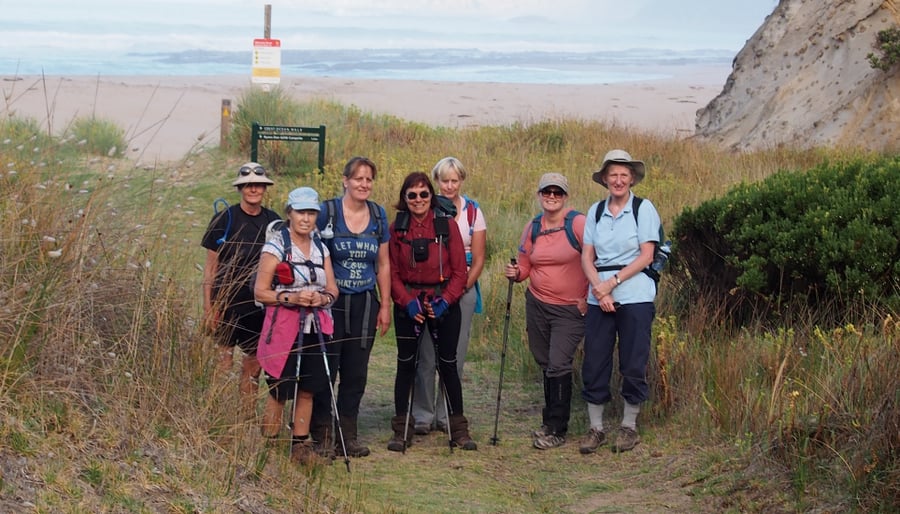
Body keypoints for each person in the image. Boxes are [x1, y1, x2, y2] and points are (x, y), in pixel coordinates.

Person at [386, 171, 477, 451]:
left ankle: (458, 429)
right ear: (404, 198)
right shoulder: (397, 228)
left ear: (432, 196)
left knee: (448, 364)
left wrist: (446, 300)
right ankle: (402, 429)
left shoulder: (446, 226)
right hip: (410, 304)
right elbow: (391, 272)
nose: (418, 200)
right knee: (407, 364)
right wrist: (405, 301)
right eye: (411, 195)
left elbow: (461, 271)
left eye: (424, 194)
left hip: (442, 302)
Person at [579, 149, 661, 454]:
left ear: (632, 178)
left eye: (623, 175)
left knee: (633, 359)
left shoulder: (643, 209)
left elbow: (646, 255)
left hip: (635, 294)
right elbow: (587, 256)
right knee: (595, 359)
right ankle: (595, 428)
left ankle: (629, 427)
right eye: (612, 174)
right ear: (604, 178)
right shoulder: (595, 211)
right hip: (599, 293)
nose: (618, 180)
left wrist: (611, 283)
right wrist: (599, 289)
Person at [310, 156, 391, 458]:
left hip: (365, 302)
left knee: (356, 372)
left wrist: (386, 305)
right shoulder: (326, 213)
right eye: (358, 178)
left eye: (369, 179)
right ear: (345, 180)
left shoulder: (379, 216)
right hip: (331, 303)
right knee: (326, 369)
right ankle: (322, 434)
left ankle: (348, 435)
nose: (364, 184)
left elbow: (383, 264)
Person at [254, 187, 340, 466]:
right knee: (280, 388)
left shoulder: (321, 248)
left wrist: (322, 297)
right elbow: (260, 292)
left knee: (309, 387)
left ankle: (300, 446)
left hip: (316, 327)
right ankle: (267, 446)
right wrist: (292, 297)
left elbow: (333, 289)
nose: (306, 218)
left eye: (311, 212)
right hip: (284, 327)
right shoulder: (276, 246)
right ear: (289, 212)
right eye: (301, 212)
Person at [505, 173, 588, 450]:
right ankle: (549, 420)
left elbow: (597, 259)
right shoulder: (533, 226)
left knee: (558, 363)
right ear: (539, 194)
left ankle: (557, 428)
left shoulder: (578, 223)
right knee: (544, 361)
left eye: (558, 192)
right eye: (547, 192)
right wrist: (517, 273)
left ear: (566, 196)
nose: (552, 196)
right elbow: (526, 264)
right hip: (537, 303)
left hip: (570, 309)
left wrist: (589, 296)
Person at [412, 157, 486, 435]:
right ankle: (422, 413)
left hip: (462, 289)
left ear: (461, 181)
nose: (450, 186)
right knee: (426, 353)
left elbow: (478, 258)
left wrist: (461, 286)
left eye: (455, 180)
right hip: (430, 290)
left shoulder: (472, 212)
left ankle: (447, 414)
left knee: (455, 352)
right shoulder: (424, 208)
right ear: (437, 182)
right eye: (445, 180)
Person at [200, 162, 281, 413]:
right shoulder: (225, 218)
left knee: (253, 365)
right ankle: (218, 415)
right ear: (241, 188)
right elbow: (211, 267)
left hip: (258, 306)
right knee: (223, 361)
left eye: (258, 184)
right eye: (248, 185)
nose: (253, 189)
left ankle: (244, 419)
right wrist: (208, 307)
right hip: (226, 304)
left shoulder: (274, 222)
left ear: (265, 188)